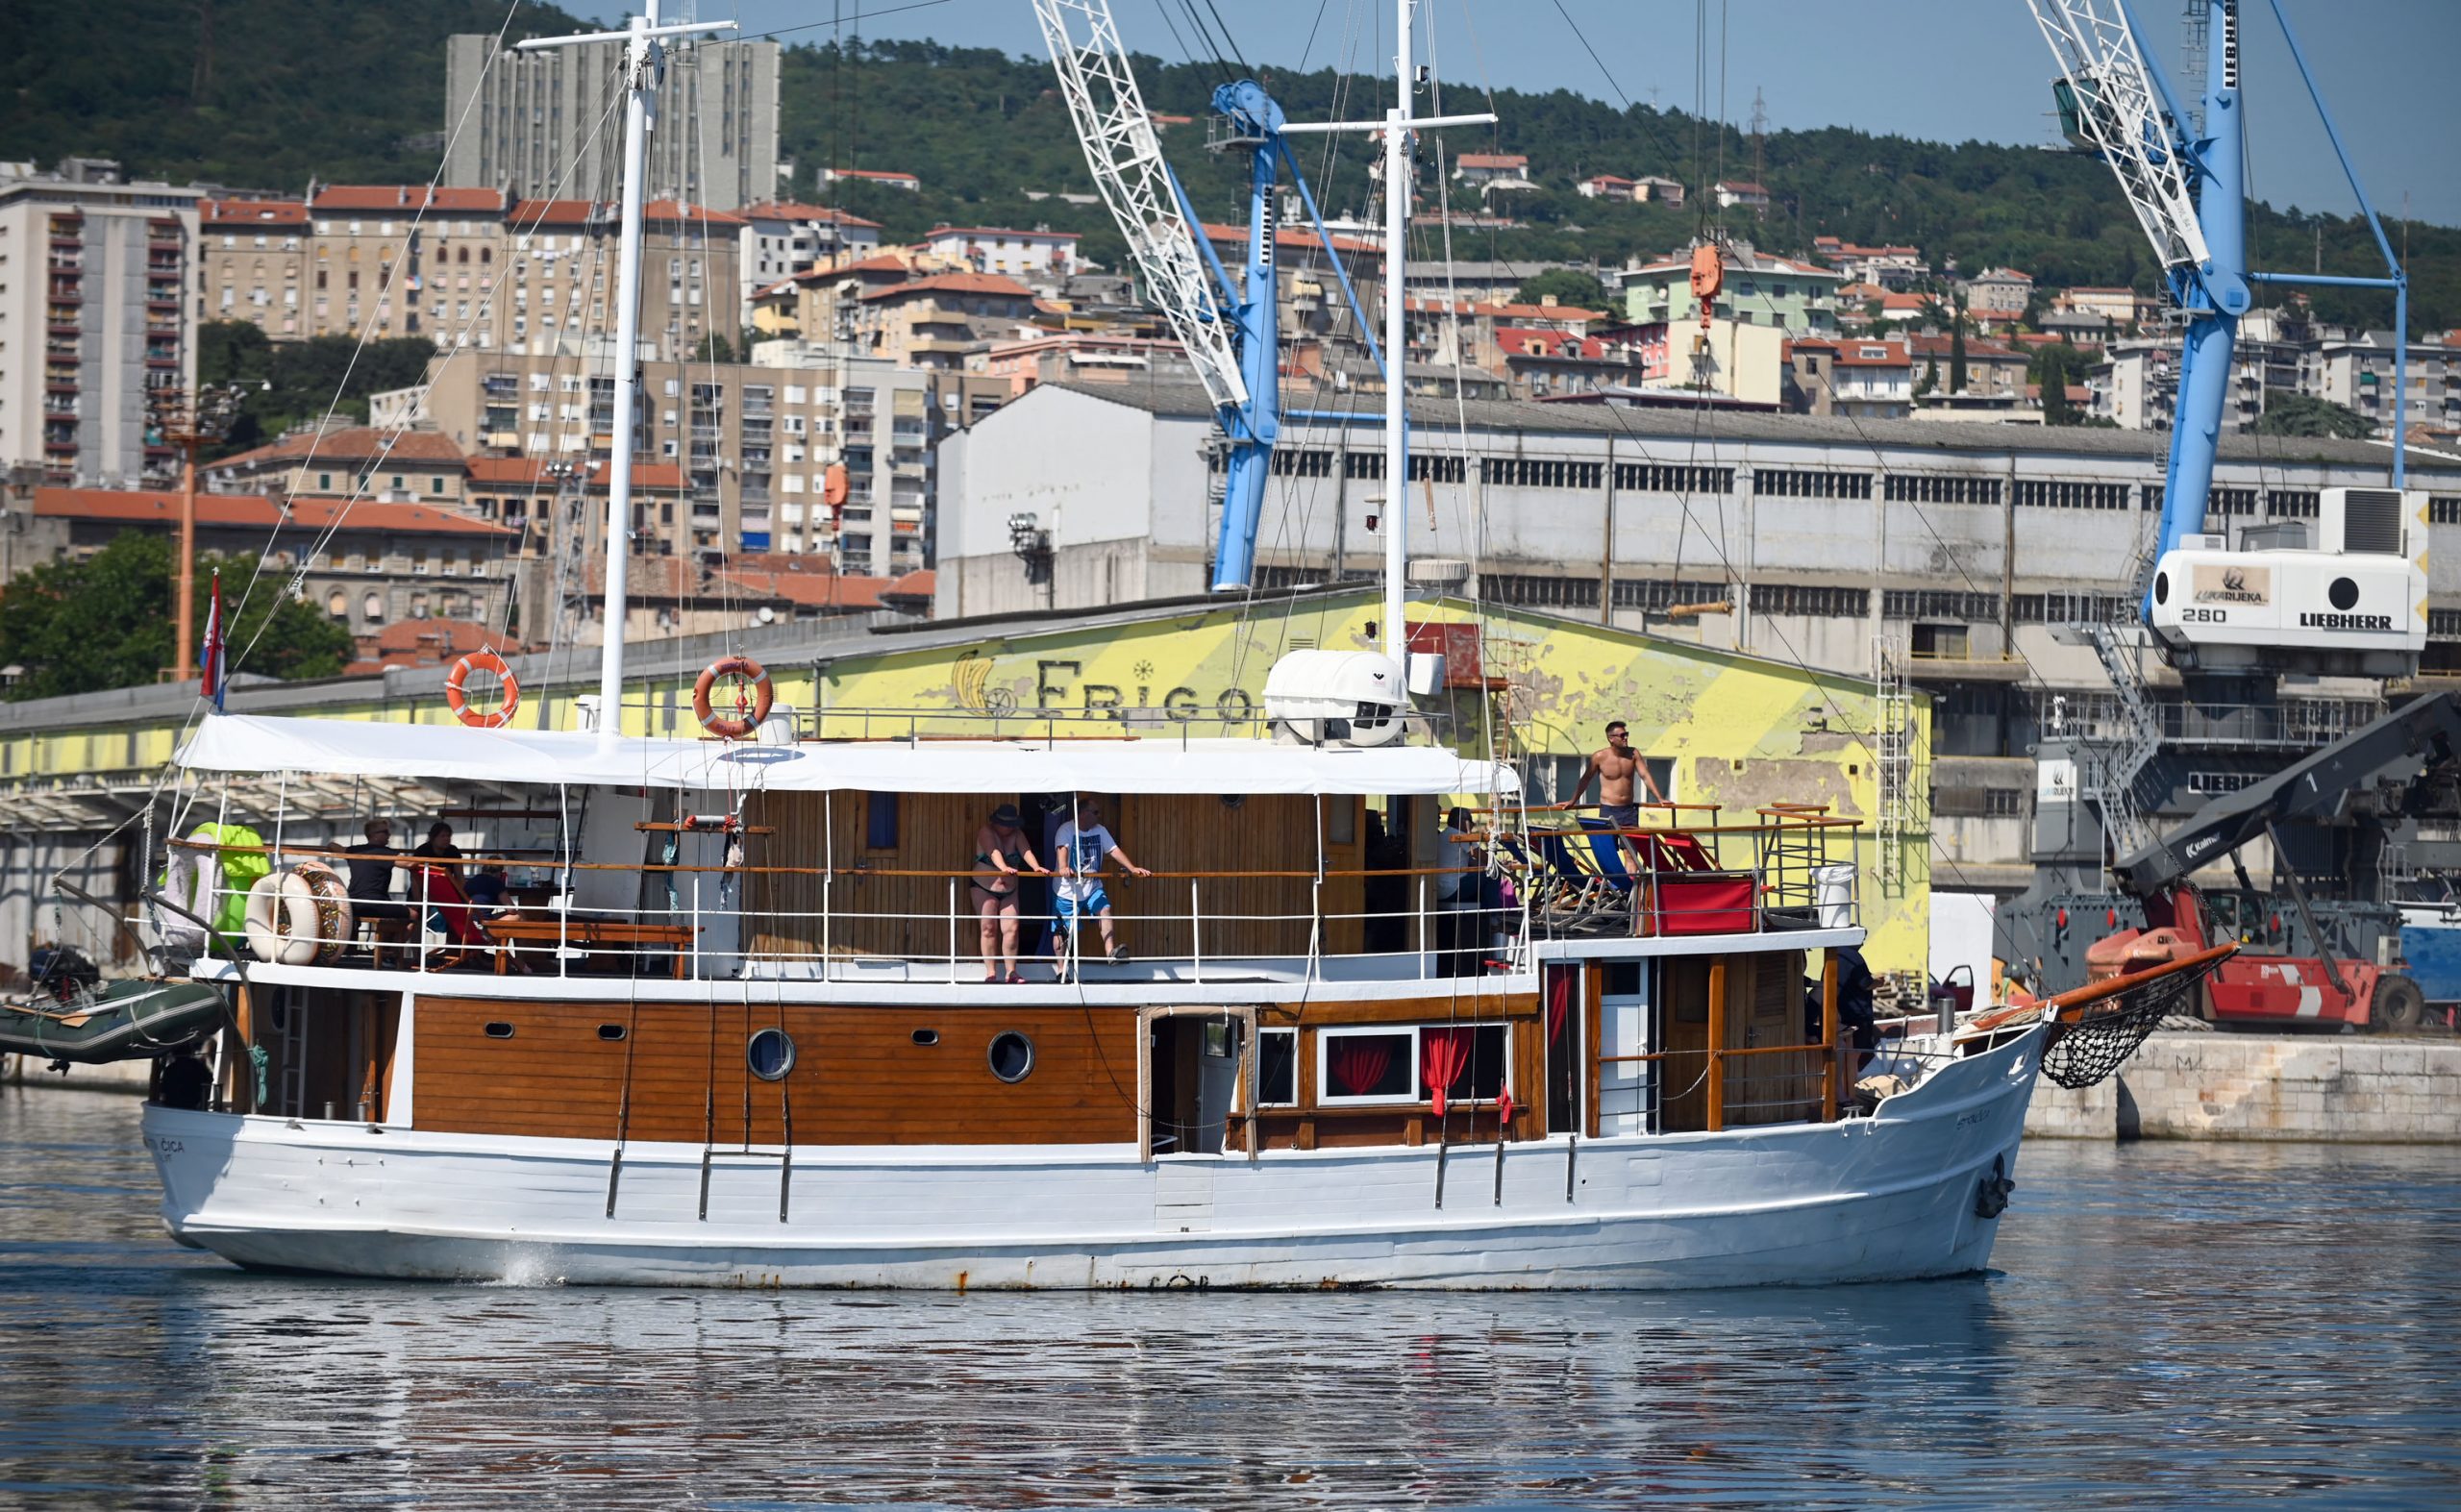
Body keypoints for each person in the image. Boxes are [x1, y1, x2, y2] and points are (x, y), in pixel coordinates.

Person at [1052, 797, 1150, 971]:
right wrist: (1064, 867)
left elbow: (1114, 850)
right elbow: (1062, 849)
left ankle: (1110, 953)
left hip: (1092, 887)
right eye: (1095, 812)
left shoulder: (1100, 830)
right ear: (1083, 814)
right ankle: (1061, 970)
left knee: (1105, 909)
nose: (1099, 816)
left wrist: (1132, 868)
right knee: (1062, 930)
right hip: (1067, 890)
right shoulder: (1066, 830)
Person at [970, 803, 1044, 983]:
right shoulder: (986, 831)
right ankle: (991, 972)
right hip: (984, 887)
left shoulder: (1017, 834)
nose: (1008, 828)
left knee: (1012, 929)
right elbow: (993, 852)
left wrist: (1036, 867)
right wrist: (1004, 867)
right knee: (988, 928)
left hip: (1009, 889)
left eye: (1011, 824)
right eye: (1005, 824)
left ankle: (1011, 972)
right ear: (996, 822)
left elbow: (1026, 851)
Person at [1567, 719, 1664, 831]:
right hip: (1608, 810)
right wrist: (1572, 801)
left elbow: (1645, 776)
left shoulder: (1633, 754)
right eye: (1622, 735)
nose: (1625, 738)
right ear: (1611, 738)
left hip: (1629, 810)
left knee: (1630, 843)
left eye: (1626, 734)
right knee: (1608, 842)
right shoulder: (1599, 757)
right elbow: (1585, 779)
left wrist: (1660, 798)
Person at [343, 819, 410, 928]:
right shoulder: (386, 853)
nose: (389, 834)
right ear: (374, 835)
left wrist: (331, 846)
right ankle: (392, 939)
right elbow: (409, 863)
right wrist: (426, 858)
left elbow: (334, 846)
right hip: (376, 904)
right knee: (413, 915)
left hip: (352, 903)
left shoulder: (354, 851)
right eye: (385, 832)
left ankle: (385, 936)